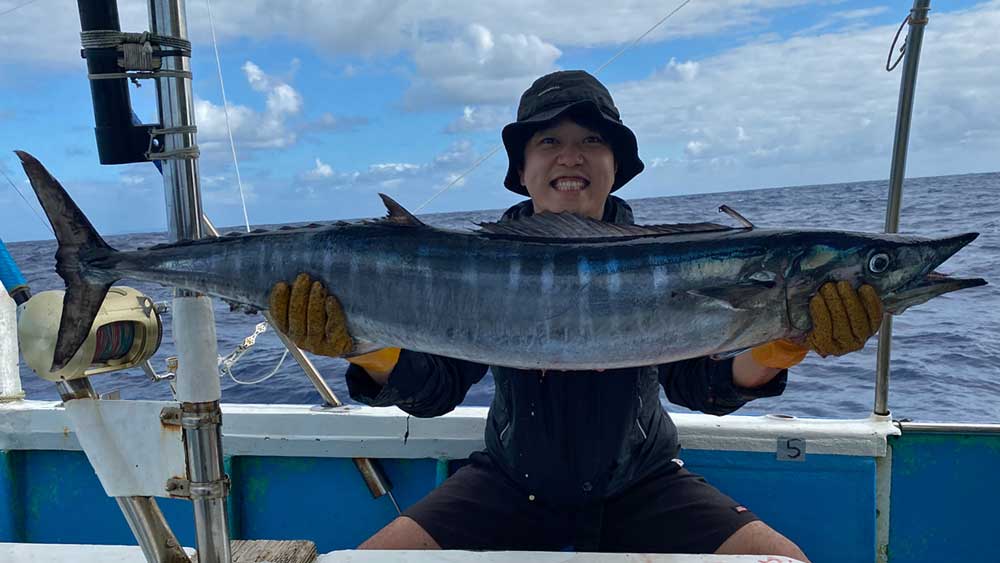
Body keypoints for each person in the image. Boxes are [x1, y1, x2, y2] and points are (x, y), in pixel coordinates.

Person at [268, 70, 882, 559]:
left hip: (642, 484)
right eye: (550, 140)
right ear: (523, 169)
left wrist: (777, 347)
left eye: (593, 140)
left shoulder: (670, 261)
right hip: (507, 483)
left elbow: (700, 386)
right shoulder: (473, 265)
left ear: (615, 165)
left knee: (784, 562)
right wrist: (362, 346)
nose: (572, 156)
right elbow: (433, 392)